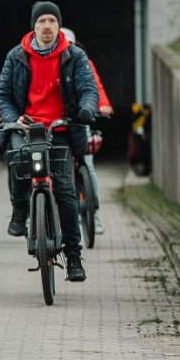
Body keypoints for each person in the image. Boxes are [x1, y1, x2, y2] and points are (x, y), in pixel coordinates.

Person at [0, 2, 98, 282]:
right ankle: (19, 209)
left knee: (65, 191)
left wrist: (86, 110)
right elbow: (3, 94)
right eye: (42, 21)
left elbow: (88, 88)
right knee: (16, 157)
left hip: (61, 129)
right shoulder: (16, 56)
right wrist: (13, 118)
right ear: (34, 26)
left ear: (58, 25)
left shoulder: (74, 55)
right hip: (26, 127)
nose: (47, 26)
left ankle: (74, 256)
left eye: (52, 20)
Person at [62, 27, 113, 234]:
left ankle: (95, 213)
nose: (68, 48)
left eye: (71, 45)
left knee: (88, 165)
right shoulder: (48, 63)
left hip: (79, 120)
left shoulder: (83, 62)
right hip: (56, 123)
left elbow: (94, 87)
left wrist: (102, 105)